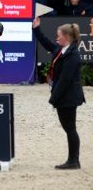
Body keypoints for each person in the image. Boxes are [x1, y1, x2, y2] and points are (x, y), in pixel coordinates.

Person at [32, 17, 85, 169]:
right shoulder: (62, 50)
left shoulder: (73, 55)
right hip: (63, 96)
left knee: (70, 129)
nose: (57, 38)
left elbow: (65, 79)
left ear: (67, 37)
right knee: (69, 128)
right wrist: (36, 29)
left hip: (68, 97)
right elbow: (46, 43)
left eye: (59, 35)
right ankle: (73, 160)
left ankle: (73, 161)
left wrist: (53, 99)